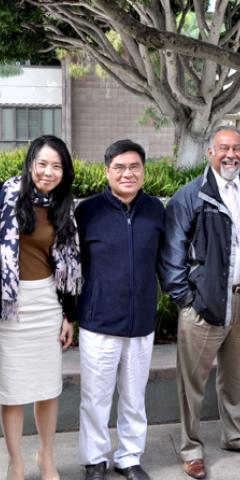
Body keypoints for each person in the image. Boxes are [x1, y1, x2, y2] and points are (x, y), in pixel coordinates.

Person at [160, 126, 240, 479]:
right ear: (210, 152)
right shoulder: (190, 196)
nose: (231, 154)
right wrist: (187, 300)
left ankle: (237, 436)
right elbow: (172, 255)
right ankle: (192, 448)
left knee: (239, 379)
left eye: (237, 148)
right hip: (204, 304)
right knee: (192, 383)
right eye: (223, 148)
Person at [75, 140, 165, 480]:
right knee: (95, 398)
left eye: (134, 167)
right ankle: (94, 459)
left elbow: (164, 260)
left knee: (133, 398)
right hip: (98, 322)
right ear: (107, 172)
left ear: (143, 170)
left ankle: (129, 457)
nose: (127, 173)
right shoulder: (88, 211)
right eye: (120, 168)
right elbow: (73, 267)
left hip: (141, 321)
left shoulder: (155, 209)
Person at [0, 135, 82, 480]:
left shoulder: (64, 205)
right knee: (14, 391)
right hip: (9, 307)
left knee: (48, 389)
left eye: (57, 166)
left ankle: (46, 458)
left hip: (47, 303)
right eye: (43, 164)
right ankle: (15, 461)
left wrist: (68, 316)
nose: (48, 172)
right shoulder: (6, 195)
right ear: (31, 163)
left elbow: (68, 266)